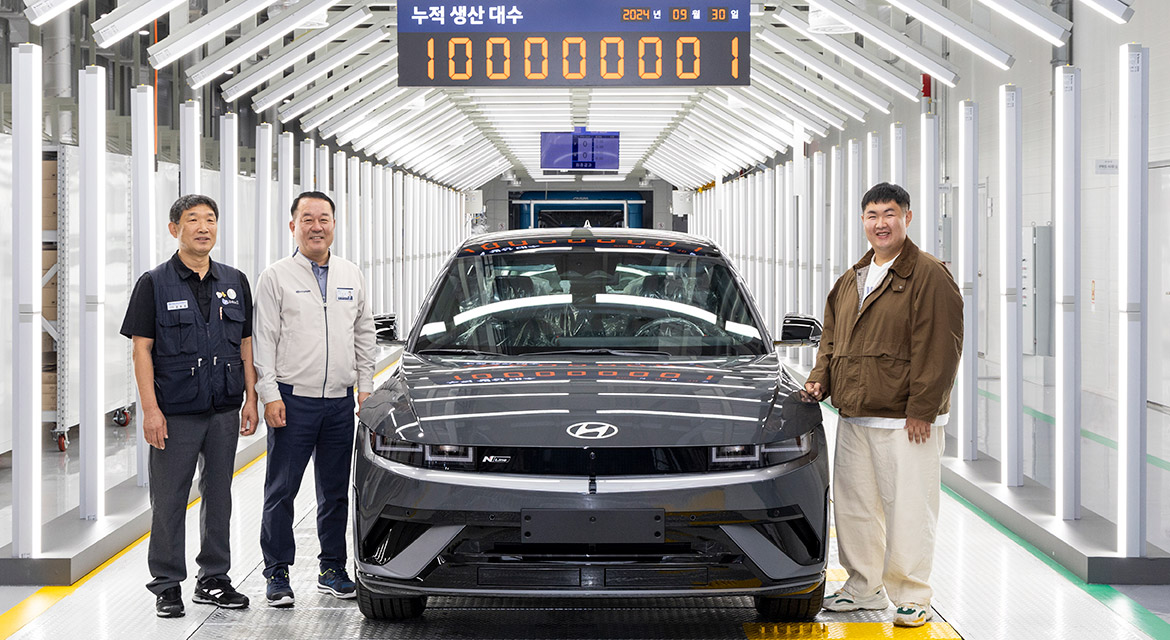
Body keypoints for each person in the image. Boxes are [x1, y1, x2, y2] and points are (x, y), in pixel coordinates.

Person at [804, 182, 963, 628]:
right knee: (855, 507)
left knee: (909, 507)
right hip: (856, 413)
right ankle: (863, 586)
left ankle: (912, 594)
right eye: (872, 215)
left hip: (905, 419)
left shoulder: (929, 274)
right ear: (863, 222)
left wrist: (923, 408)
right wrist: (821, 380)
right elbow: (831, 340)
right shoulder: (852, 277)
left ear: (907, 218)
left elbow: (942, 345)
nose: (881, 223)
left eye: (889, 213)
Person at [120, 194, 258, 617]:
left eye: (210, 220)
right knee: (170, 498)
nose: (203, 227)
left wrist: (251, 395)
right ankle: (166, 584)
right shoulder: (154, 283)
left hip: (222, 409)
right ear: (174, 229)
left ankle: (214, 578)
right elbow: (141, 350)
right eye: (193, 220)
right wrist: (150, 410)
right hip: (175, 413)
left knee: (219, 496)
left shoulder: (234, 281)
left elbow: (246, 343)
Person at [253, 191, 376, 608]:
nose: (316, 226)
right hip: (293, 400)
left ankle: (332, 568)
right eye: (307, 219)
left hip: (340, 403)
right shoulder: (276, 277)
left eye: (324, 219)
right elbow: (264, 341)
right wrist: (269, 394)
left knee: (336, 492)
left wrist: (366, 386)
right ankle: (277, 572)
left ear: (334, 225)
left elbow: (364, 333)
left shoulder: (351, 274)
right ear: (293, 226)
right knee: (282, 490)